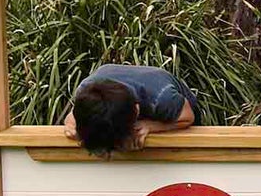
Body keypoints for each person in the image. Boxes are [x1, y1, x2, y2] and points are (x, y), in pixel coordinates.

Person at [61, 63, 199, 156]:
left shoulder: (162, 97)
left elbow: (187, 117)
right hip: (110, 89)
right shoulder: (87, 91)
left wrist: (152, 126)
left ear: (137, 111)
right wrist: (75, 128)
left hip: (175, 110)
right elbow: (71, 117)